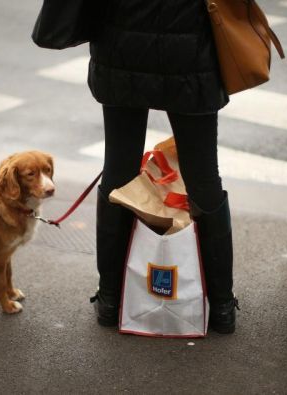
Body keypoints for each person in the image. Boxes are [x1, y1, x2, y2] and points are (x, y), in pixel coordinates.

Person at [87, 0, 239, 334]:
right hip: (189, 52)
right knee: (203, 175)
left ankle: (111, 299)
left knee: (119, 169)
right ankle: (222, 304)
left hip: (120, 44)